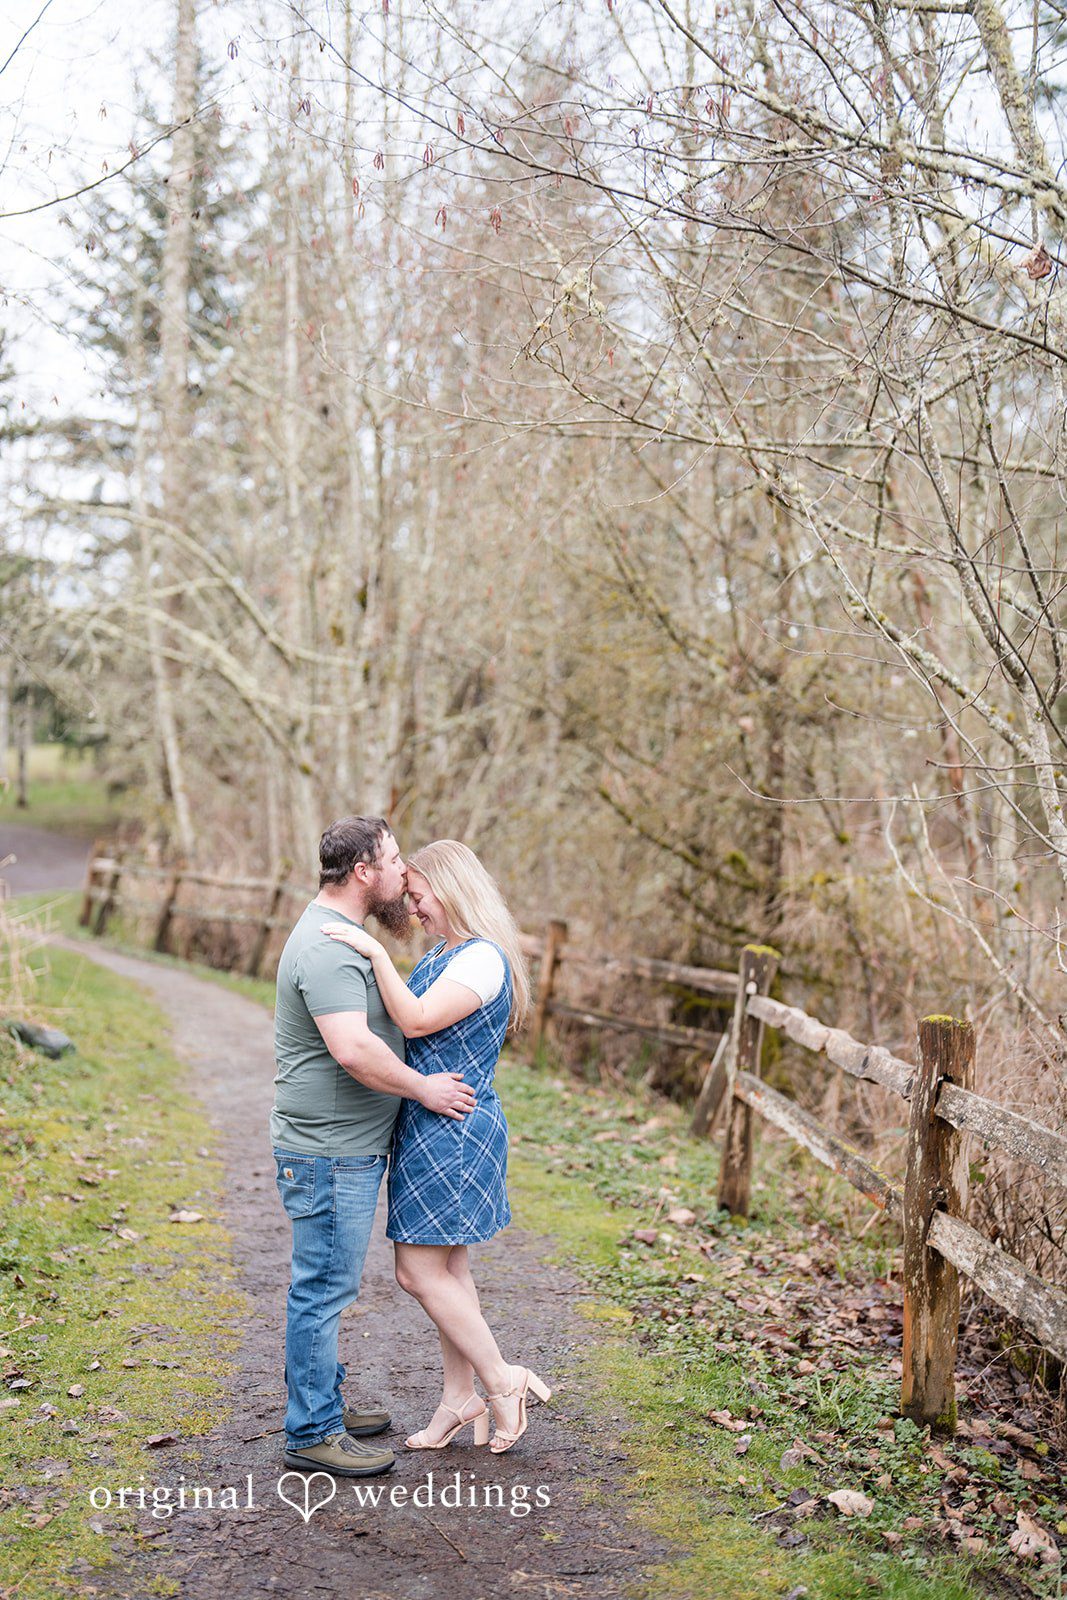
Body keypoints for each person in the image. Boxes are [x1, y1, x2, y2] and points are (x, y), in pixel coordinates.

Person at [323, 838, 551, 1455]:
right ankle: (458, 1398)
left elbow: (418, 1020)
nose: (415, 908)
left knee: (416, 1270)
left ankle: (504, 1380)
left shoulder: (480, 960)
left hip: (452, 1129)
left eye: (421, 896)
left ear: (453, 891)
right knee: (449, 1269)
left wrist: (373, 952)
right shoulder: (452, 953)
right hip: (435, 1123)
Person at [270, 816, 476, 1479]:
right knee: (323, 1290)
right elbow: (354, 1050)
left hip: (341, 1146)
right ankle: (311, 1432)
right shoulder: (329, 948)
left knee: (328, 1285)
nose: (401, 872)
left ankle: (321, 1403)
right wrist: (423, 1089)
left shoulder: (341, 935)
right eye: (392, 861)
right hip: (329, 1151)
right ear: (363, 872)